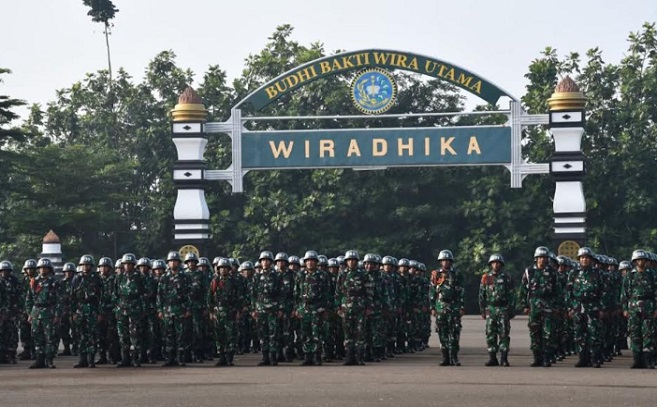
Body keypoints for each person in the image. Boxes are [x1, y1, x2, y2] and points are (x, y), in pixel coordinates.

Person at [519, 246, 557, 367]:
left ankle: (546, 358)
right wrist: (524, 305)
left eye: (544, 258)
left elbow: (558, 291)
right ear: (536, 259)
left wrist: (557, 306)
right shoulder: (529, 271)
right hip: (534, 304)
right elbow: (523, 290)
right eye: (540, 258)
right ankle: (537, 358)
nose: (542, 260)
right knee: (534, 332)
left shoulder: (552, 272)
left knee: (548, 332)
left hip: (548, 304)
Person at [336, 250, 373, 365]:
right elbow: (338, 292)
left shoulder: (363, 274)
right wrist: (338, 306)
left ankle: (359, 357)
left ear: (357, 262)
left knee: (359, 333)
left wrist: (368, 307)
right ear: (346, 262)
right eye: (349, 260)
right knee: (347, 333)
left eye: (354, 260)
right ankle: (349, 357)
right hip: (346, 306)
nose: (351, 262)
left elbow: (369, 292)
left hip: (360, 306)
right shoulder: (342, 274)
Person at [621, 249, 657, 369]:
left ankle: (648, 360)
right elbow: (624, 294)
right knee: (635, 334)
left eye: (643, 260)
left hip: (649, 306)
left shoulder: (652, 275)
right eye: (638, 260)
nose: (641, 262)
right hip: (633, 307)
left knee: (648, 334)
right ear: (635, 261)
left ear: (646, 261)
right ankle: (637, 360)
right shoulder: (630, 276)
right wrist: (625, 309)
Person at [478, 254, 515, 367]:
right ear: (490, 264)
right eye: (493, 262)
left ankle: (504, 358)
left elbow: (512, 295)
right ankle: (492, 358)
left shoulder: (506, 277)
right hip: (490, 308)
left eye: (498, 262)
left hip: (503, 308)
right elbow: (481, 295)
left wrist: (512, 310)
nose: (496, 264)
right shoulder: (486, 277)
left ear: (501, 264)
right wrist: (482, 310)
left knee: (504, 333)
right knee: (490, 334)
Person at [295, 250, 330, 366]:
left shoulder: (322, 275)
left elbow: (327, 293)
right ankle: (307, 356)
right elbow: (296, 293)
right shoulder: (300, 275)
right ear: (305, 262)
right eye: (308, 261)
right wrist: (297, 308)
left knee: (317, 333)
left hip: (317, 308)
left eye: (312, 261)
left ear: (316, 262)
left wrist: (325, 309)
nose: (310, 263)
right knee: (305, 333)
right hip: (304, 308)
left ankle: (316, 356)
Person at [431, 250, 465, 366]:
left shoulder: (457, 274)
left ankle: (454, 357)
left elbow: (461, 291)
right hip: (441, 306)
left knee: (455, 332)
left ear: (451, 262)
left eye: (448, 261)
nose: (446, 263)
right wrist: (433, 307)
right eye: (443, 260)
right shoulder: (436, 274)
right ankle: (445, 357)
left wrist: (461, 306)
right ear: (440, 262)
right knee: (442, 332)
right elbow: (432, 291)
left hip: (454, 306)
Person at [158, 251, 192, 367]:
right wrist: (159, 310)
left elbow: (189, 294)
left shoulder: (185, 277)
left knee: (181, 335)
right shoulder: (164, 277)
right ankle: (170, 359)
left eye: (175, 261)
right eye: (171, 261)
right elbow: (160, 295)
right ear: (168, 263)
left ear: (179, 263)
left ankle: (180, 358)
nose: (173, 263)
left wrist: (188, 309)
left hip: (180, 309)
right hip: (167, 310)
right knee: (168, 335)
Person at [25, 258, 60, 369]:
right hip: (36, 312)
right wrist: (29, 313)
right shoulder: (34, 282)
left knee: (49, 337)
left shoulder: (54, 283)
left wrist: (57, 314)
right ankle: (39, 360)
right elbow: (29, 299)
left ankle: (49, 360)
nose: (42, 270)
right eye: (40, 268)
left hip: (48, 312)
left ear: (49, 269)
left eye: (45, 268)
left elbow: (59, 300)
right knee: (37, 337)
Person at [71, 255, 103, 368]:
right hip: (80, 309)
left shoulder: (96, 278)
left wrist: (99, 312)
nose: (85, 267)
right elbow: (73, 297)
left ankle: (91, 360)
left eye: (87, 265)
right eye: (83, 265)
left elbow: (101, 296)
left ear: (91, 266)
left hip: (92, 309)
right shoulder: (77, 278)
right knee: (80, 335)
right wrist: (73, 312)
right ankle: (82, 360)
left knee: (92, 335)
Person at [114, 253, 146, 367]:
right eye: (125, 264)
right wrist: (117, 308)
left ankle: (135, 358)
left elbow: (144, 294)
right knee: (123, 335)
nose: (127, 266)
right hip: (122, 309)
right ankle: (125, 359)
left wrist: (143, 310)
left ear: (133, 265)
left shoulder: (140, 277)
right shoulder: (119, 277)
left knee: (135, 335)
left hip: (135, 309)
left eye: (130, 264)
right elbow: (115, 294)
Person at [209, 258, 241, 366]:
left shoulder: (234, 282)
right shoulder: (215, 281)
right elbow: (209, 297)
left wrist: (238, 311)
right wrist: (211, 311)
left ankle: (229, 358)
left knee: (230, 335)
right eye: (221, 268)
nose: (223, 270)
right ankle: (221, 357)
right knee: (219, 335)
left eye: (225, 268)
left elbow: (239, 297)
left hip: (230, 312)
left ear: (229, 269)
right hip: (218, 312)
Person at [251, 251, 282, 366]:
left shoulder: (276, 276)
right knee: (262, 334)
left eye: (267, 260)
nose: (265, 262)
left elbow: (280, 294)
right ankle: (265, 357)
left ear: (271, 262)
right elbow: (253, 294)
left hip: (273, 308)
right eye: (263, 260)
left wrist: (280, 309)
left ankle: (273, 357)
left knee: (273, 333)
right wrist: (253, 309)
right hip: (260, 309)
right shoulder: (257, 276)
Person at [0, 260, 20, 364]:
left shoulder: (14, 281)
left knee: (12, 334)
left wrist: (16, 310)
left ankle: (11, 355)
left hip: (12, 312)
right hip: (1, 312)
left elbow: (18, 296)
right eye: (3, 271)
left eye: (7, 271)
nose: (5, 273)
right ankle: (2, 355)